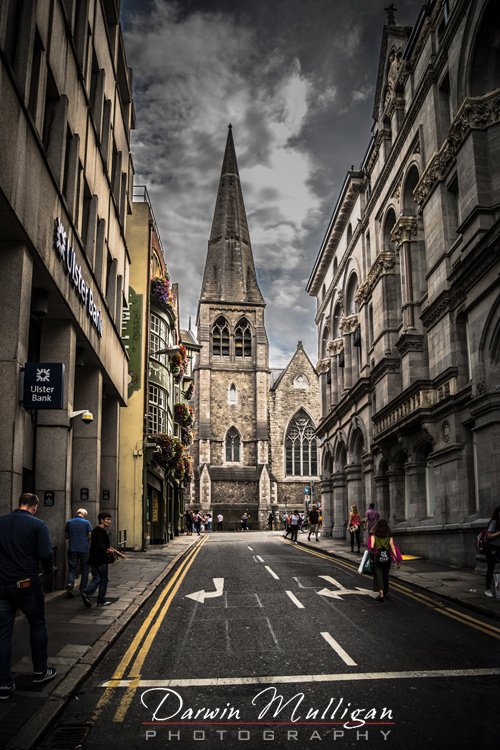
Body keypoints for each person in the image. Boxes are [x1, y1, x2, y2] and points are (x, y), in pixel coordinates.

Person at [0, 493, 57, 699]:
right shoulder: (38, 525)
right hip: (26, 585)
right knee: (38, 623)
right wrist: (50, 569)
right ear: (35, 506)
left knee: (3, 634)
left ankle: (4, 684)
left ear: (18, 504)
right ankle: (40, 671)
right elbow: (45, 554)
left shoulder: (2, 522)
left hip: (2, 586)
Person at [81, 512, 121, 608]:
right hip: (101, 560)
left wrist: (115, 552)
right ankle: (99, 599)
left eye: (110, 519)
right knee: (103, 579)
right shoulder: (101, 531)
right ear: (101, 520)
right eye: (107, 519)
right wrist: (109, 551)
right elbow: (101, 545)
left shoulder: (95, 530)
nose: (110, 521)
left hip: (93, 559)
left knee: (96, 577)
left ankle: (87, 594)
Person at [368, 518, 402, 602]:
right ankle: (385, 591)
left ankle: (381, 594)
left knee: (379, 576)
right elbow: (392, 547)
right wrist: (397, 559)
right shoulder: (389, 534)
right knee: (385, 575)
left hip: (378, 557)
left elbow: (372, 546)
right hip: (387, 558)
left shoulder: (374, 534)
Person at [65, 508, 92, 597]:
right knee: (85, 569)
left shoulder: (69, 522)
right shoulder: (86, 522)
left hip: (72, 548)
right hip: (84, 549)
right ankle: (82, 589)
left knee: (72, 568)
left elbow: (66, 536)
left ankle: (70, 583)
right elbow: (89, 536)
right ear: (83, 514)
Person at [485, 505, 500, 598]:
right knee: (491, 568)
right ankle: (487, 590)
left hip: (498, 548)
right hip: (492, 548)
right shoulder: (494, 522)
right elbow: (489, 536)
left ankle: (497, 588)